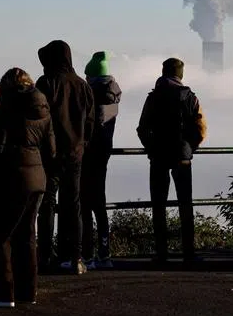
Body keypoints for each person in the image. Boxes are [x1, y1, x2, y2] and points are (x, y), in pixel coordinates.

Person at [0, 68, 55, 308]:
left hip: (11, 177)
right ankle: (27, 292)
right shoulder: (42, 108)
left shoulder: (8, 107)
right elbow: (51, 149)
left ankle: (2, 294)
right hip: (37, 178)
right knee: (27, 237)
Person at [137, 58, 207, 264]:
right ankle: (189, 252)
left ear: (163, 72)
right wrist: (190, 147)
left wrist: (151, 147)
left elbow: (142, 128)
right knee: (185, 204)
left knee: (158, 205)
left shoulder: (153, 97)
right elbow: (201, 127)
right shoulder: (190, 97)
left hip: (158, 156)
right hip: (182, 157)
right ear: (181, 74)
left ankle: (161, 253)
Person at [35, 40, 94, 275]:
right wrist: (82, 145)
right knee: (74, 204)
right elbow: (89, 123)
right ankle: (76, 257)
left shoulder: (46, 83)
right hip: (76, 154)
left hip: (50, 155)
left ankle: (45, 256)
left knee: (47, 204)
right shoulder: (82, 86)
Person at [82, 51, 121, 269]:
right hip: (104, 152)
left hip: (90, 153)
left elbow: (91, 128)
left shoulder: (95, 96)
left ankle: (88, 254)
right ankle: (104, 252)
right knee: (99, 203)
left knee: (85, 204)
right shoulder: (112, 94)